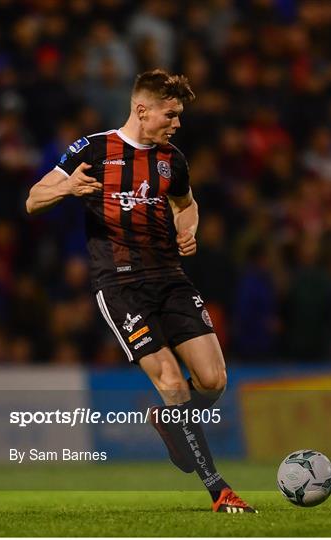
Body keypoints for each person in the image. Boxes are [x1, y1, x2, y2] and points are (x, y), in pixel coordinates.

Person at [26, 69, 255, 513]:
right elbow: (33, 198)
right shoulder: (92, 149)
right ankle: (219, 490)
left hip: (170, 277)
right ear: (141, 109)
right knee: (171, 382)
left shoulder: (172, 160)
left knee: (213, 380)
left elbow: (186, 204)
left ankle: (168, 421)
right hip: (120, 285)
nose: (178, 123)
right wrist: (67, 187)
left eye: (180, 115)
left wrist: (189, 229)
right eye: (171, 114)